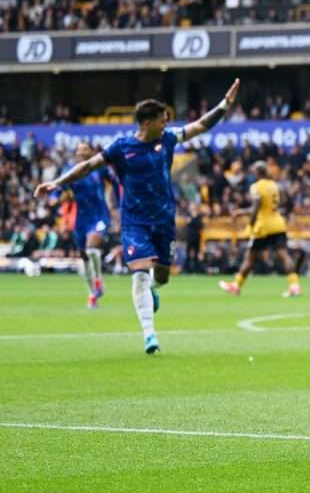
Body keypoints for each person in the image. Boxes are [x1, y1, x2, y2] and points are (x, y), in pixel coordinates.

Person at [34, 79, 241, 354]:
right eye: (162, 120)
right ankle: (149, 334)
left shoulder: (168, 139)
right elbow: (88, 166)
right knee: (140, 275)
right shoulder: (121, 148)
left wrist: (224, 104)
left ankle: (152, 291)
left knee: (162, 277)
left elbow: (201, 125)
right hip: (135, 222)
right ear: (147, 122)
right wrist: (57, 183)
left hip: (164, 220)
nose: (166, 124)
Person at [219, 161, 302, 298]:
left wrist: (251, 223)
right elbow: (283, 202)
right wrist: (242, 212)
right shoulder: (275, 185)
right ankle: (295, 286)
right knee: (284, 255)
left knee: (250, 258)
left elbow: (257, 205)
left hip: (262, 226)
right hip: (278, 223)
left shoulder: (256, 187)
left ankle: (236, 285)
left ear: (257, 172)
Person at [57, 141, 118, 309]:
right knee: (84, 257)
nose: (82, 152)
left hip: (100, 215)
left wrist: (117, 205)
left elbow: (115, 182)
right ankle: (92, 293)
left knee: (92, 247)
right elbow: (60, 191)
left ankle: (98, 279)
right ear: (76, 153)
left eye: (85, 149)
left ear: (91, 152)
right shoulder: (69, 170)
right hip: (81, 219)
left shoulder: (100, 168)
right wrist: (59, 199)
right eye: (79, 150)